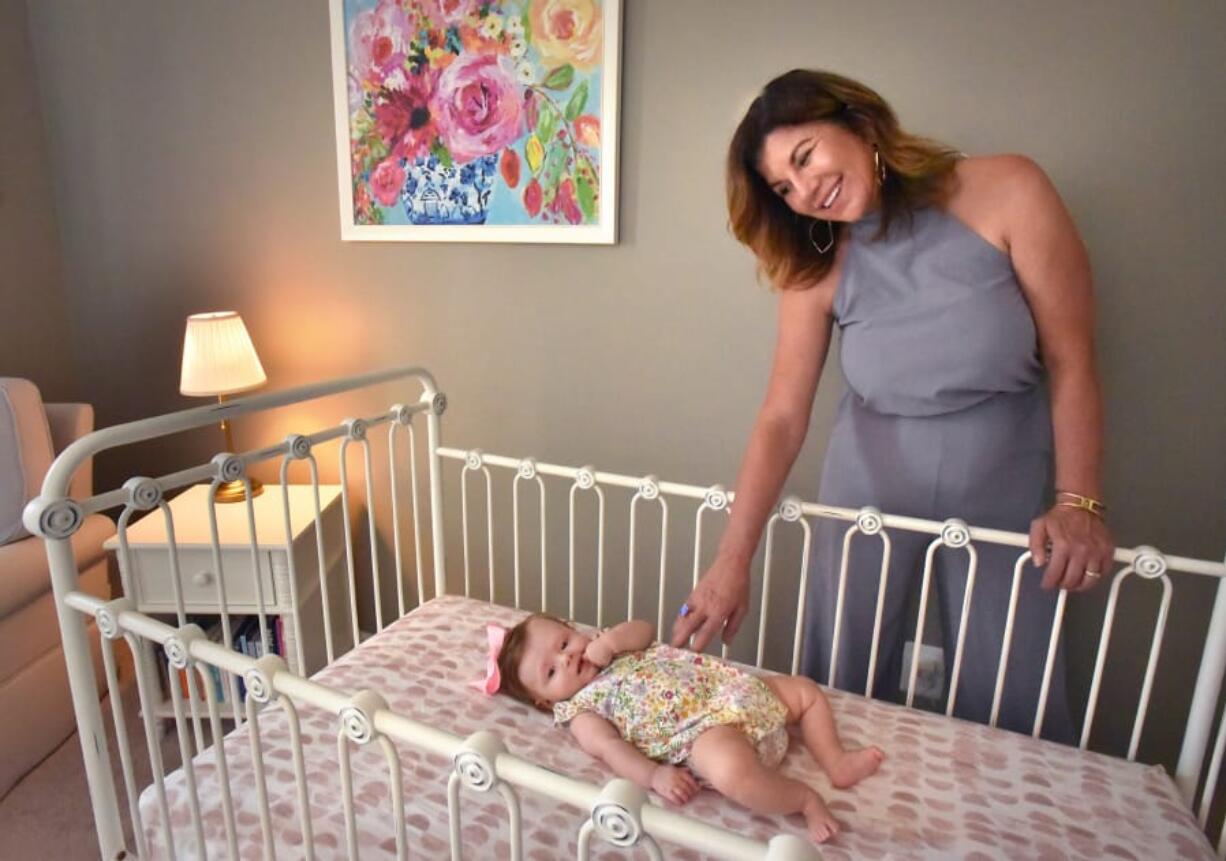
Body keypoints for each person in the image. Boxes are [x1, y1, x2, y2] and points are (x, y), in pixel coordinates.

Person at [670, 69, 1115, 739]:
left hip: (1003, 466)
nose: (806, 190)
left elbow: (1071, 357)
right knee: (838, 674)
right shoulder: (815, 255)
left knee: (1014, 684)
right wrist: (733, 559)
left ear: (859, 121)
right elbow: (782, 416)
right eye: (784, 187)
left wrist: (1079, 501)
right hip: (869, 476)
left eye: (805, 156)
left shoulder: (1008, 189)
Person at [480, 614, 884, 843]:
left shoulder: (609, 645)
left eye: (565, 642)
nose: (568, 658)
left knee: (805, 690)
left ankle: (835, 761)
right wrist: (654, 775)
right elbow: (609, 749)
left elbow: (644, 628)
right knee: (731, 773)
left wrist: (612, 641)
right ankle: (804, 799)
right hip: (702, 733)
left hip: (737, 691)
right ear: (546, 702)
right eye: (551, 671)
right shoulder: (581, 710)